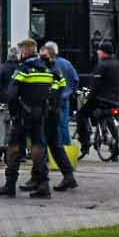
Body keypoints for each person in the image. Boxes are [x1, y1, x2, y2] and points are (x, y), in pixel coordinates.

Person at [0, 38, 54, 199]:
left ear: (25, 52)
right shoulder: (46, 70)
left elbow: (10, 94)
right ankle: (43, 185)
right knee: (38, 146)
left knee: (13, 148)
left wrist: (1, 96)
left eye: (21, 51)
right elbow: (53, 91)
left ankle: (9, 185)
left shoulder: (23, 70)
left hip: (22, 114)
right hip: (40, 114)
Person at [40, 41, 79, 190]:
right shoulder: (67, 64)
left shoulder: (49, 70)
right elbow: (75, 80)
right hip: (63, 101)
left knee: (43, 142)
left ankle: (40, 180)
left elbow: (48, 89)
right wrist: (69, 92)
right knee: (61, 130)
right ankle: (68, 174)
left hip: (50, 108)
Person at [83, 39, 119, 162]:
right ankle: (115, 151)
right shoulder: (117, 64)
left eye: (99, 50)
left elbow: (96, 85)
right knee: (111, 121)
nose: (97, 52)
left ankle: (86, 143)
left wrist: (89, 98)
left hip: (102, 99)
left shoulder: (102, 65)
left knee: (83, 115)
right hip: (115, 99)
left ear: (103, 52)